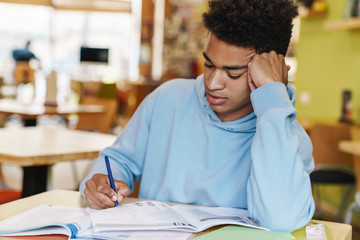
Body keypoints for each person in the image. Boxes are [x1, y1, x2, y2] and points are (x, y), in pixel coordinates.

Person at [80, 0, 315, 232]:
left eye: (232, 74)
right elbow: (118, 160)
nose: (212, 83)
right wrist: (100, 183)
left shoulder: (288, 137)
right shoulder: (167, 99)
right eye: (209, 65)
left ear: (269, 71)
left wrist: (272, 102)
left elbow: (280, 219)